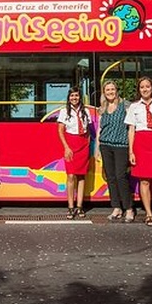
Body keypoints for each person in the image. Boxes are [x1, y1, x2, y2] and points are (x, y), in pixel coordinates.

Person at [125, 76, 152, 226]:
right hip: (141, 143)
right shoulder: (134, 106)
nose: (145, 89)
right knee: (144, 180)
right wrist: (131, 151)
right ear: (139, 90)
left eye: (147, 86)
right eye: (142, 87)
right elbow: (131, 130)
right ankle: (149, 214)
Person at [96, 81, 134, 222]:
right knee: (110, 178)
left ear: (116, 90)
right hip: (105, 145)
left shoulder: (125, 105)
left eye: (112, 89)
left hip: (121, 146)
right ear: (104, 92)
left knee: (121, 176)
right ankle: (116, 207)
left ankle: (129, 208)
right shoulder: (103, 108)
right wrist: (98, 149)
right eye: (107, 90)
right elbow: (100, 129)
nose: (110, 92)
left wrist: (131, 148)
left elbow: (131, 127)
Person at [57, 86, 91, 219]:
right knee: (71, 176)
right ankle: (70, 206)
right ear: (68, 98)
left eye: (76, 95)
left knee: (82, 176)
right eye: (72, 96)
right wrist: (66, 147)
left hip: (83, 145)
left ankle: (79, 206)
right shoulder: (64, 111)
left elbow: (88, 130)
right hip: (71, 145)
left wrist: (88, 144)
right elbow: (60, 130)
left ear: (79, 97)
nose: (74, 98)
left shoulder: (86, 111)